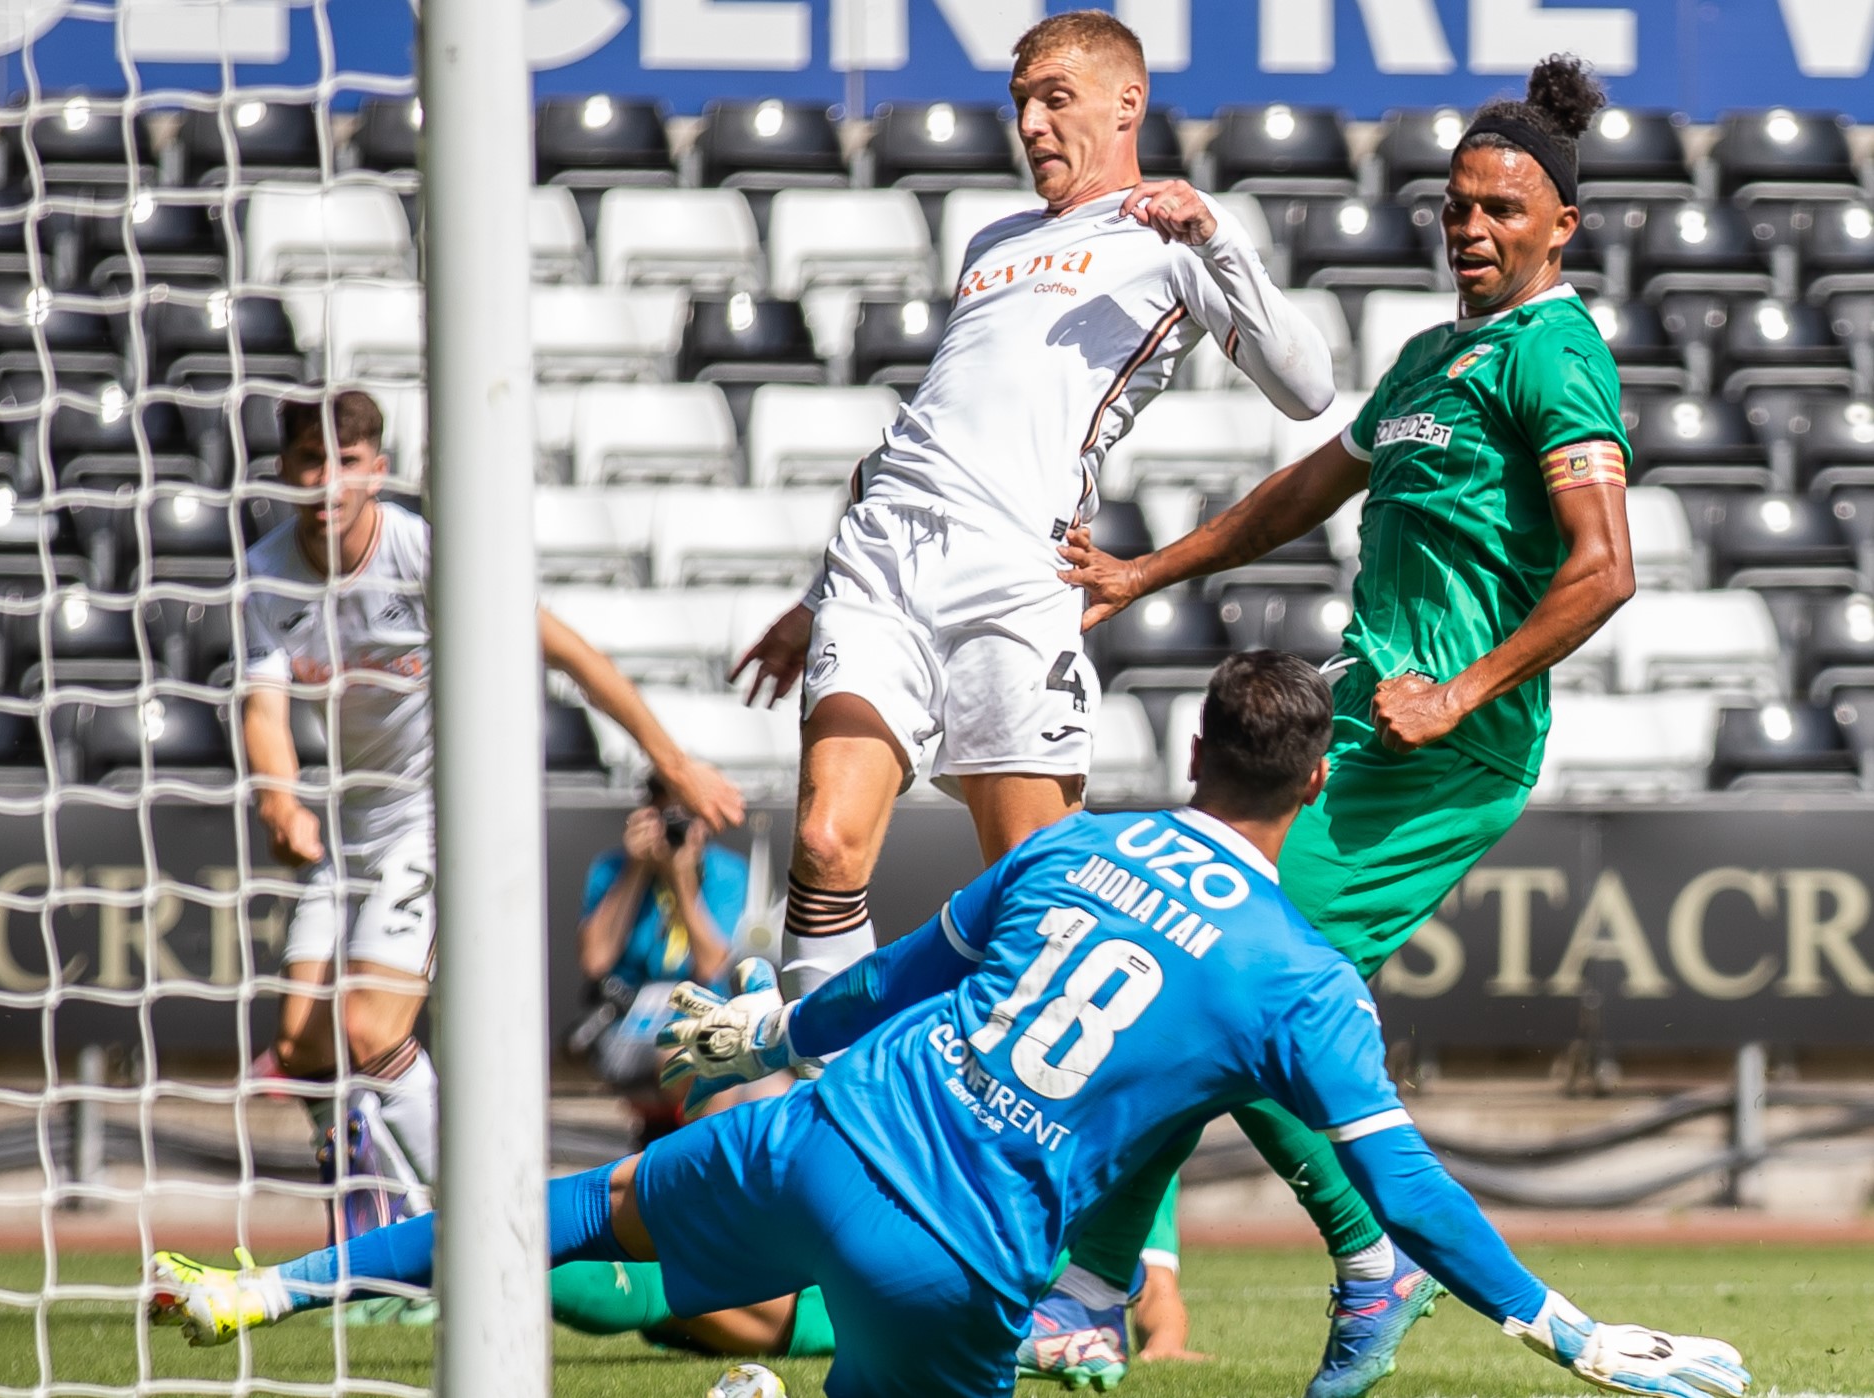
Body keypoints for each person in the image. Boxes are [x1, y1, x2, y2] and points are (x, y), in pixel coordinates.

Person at [144, 653, 1746, 1398]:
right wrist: (1570, 1331)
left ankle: (266, 1286)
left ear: (1190, 749)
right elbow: (1402, 1195)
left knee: (566, 1213)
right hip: (964, 1252)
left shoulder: (1069, 845)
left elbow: (885, 981)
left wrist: (763, 1033)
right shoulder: (1301, 978)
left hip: (830, 1125)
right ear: (1313, 782)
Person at [1035, 54, 1637, 1398]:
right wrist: (1145, 572)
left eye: (1500, 209)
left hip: (1441, 749)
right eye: (1454, 207)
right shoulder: (1434, 356)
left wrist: (1464, 687)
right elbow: (1304, 486)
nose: (1470, 229)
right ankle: (1131, 1283)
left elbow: (1604, 565)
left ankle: (1150, 1279)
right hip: (1355, 722)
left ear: (1561, 226)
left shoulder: (1555, 354)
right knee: (1198, 960)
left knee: (1219, 974)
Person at [729, 5, 1336, 1020]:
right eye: (1021, 103)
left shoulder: (1176, 234)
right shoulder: (993, 240)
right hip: (880, 562)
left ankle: (1022, 1133)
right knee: (826, 844)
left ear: (1125, 101)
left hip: (1012, 576)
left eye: (1056, 98)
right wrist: (814, 593)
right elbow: (943, 418)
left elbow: (1308, 391)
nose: (1032, 124)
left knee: (1036, 891)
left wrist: (1216, 236)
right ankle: (823, 1115)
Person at [243, 389, 744, 1238]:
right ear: (285, 471)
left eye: (347, 463)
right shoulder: (265, 572)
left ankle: (495, 1228)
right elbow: (263, 709)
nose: (327, 483)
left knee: (369, 1029)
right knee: (299, 1049)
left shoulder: (423, 554)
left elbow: (570, 651)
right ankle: (375, 1210)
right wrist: (279, 800)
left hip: (430, 820)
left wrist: (671, 760)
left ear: (379, 470)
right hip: (343, 829)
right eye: (309, 463)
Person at [571, 772, 749, 1139]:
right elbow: (595, 961)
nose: (675, 829)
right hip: (629, 1023)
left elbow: (711, 964)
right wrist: (635, 870)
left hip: (704, 1019)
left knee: (764, 1082)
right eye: (667, 815)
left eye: (685, 816)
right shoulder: (612, 868)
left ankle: (699, 1170)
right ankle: (691, 1173)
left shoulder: (725, 872)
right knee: (692, 1060)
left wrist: (681, 877)